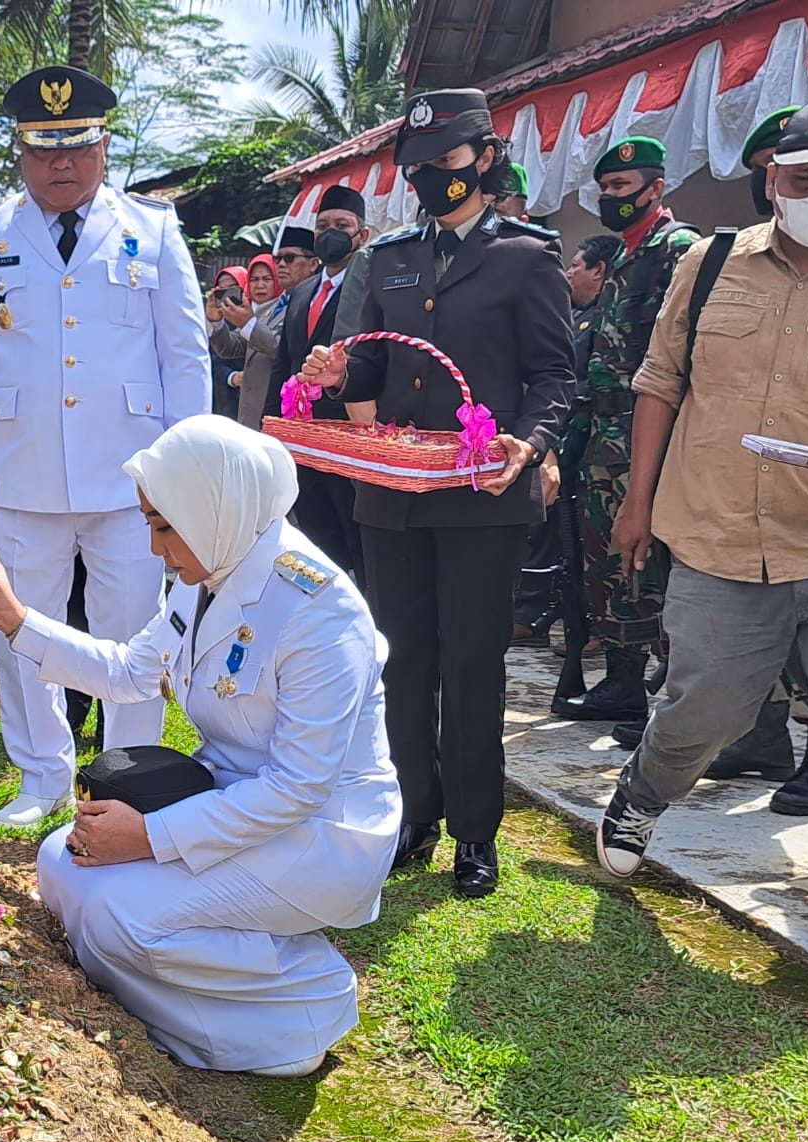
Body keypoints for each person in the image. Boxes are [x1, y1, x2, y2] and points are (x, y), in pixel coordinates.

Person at [0, 415, 400, 1075]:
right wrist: (16, 620)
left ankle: (302, 1006)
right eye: (149, 522)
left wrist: (150, 836)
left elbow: (298, 788)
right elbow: (125, 671)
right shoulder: (211, 569)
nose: (152, 546)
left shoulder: (319, 612)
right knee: (62, 861)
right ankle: (198, 1022)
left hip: (323, 834)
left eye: (162, 526)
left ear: (211, 507)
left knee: (120, 917)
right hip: (234, 807)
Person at [301, 88, 574, 898]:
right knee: (402, 658)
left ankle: (474, 832)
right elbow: (377, 368)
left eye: (444, 162)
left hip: (481, 496)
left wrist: (531, 444)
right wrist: (339, 372)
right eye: (415, 167)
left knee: (472, 662)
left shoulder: (528, 256)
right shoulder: (390, 258)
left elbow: (555, 375)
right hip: (394, 495)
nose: (429, 179)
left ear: (484, 159)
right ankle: (411, 812)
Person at [0, 65, 211, 828]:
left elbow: (185, 354)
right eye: (44, 149)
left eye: (79, 148)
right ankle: (42, 775)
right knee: (22, 623)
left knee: (133, 634)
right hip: (18, 470)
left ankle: (129, 775)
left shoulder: (152, 231)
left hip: (133, 478)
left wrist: (187, 469)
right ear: (20, 152)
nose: (62, 164)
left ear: (104, 145)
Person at [593, 97, 808, 950]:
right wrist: (636, 502)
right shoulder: (711, 260)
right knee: (708, 714)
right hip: (718, 537)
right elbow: (661, 382)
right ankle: (642, 796)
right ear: (774, 180)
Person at [552, 138, 699, 724]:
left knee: (652, 564)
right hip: (603, 436)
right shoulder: (620, 258)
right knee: (607, 562)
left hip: (650, 437)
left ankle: (671, 699)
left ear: (655, 188)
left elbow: (681, 357)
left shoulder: (678, 250)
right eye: (605, 189)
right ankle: (622, 683)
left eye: (622, 187)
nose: (612, 198)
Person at [515, 234, 620, 644]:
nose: (568, 272)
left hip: (598, 446)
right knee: (553, 537)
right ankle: (545, 614)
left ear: (600, 270)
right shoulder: (575, 318)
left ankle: (594, 625)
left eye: (576, 265)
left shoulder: (604, 319)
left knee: (587, 541)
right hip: (562, 442)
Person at [265, 185, 374, 580]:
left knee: (355, 529)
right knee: (314, 529)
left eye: (342, 225)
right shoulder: (304, 290)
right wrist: (271, 425)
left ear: (362, 235)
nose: (332, 232)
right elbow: (284, 363)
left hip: (345, 430)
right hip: (301, 433)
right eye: (323, 225)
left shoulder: (369, 285)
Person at [207, 252, 282, 430]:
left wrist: (249, 324)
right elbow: (230, 348)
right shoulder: (258, 313)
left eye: (266, 279)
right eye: (254, 280)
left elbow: (279, 348)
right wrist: (215, 321)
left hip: (274, 410)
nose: (260, 285)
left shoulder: (292, 307)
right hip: (246, 411)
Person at [205, 264, 249, 421]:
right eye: (222, 291)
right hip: (225, 399)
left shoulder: (263, 314)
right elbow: (210, 360)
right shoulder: (215, 321)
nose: (228, 296)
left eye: (233, 289)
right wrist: (232, 377)